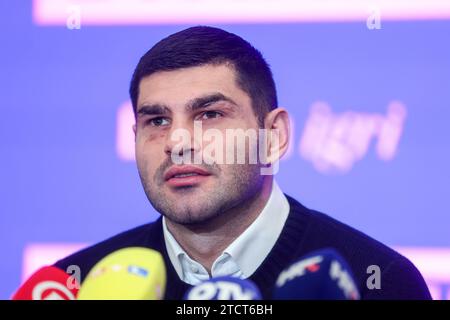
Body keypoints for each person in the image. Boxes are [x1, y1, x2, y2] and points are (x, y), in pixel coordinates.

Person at [55, 26, 431, 299]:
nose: (177, 142)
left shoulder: (379, 281)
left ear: (274, 136)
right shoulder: (75, 285)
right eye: (157, 121)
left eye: (209, 115)